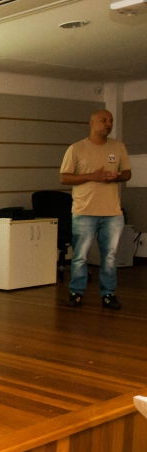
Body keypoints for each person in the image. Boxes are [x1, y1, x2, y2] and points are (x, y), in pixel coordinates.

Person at [59, 109, 131, 310]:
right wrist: (92, 176)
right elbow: (64, 177)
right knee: (80, 255)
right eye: (104, 120)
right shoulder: (76, 149)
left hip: (113, 213)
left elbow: (127, 173)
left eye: (111, 121)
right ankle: (76, 293)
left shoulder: (118, 147)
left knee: (109, 256)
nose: (108, 124)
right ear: (91, 123)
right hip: (84, 212)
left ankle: (108, 294)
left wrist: (115, 177)